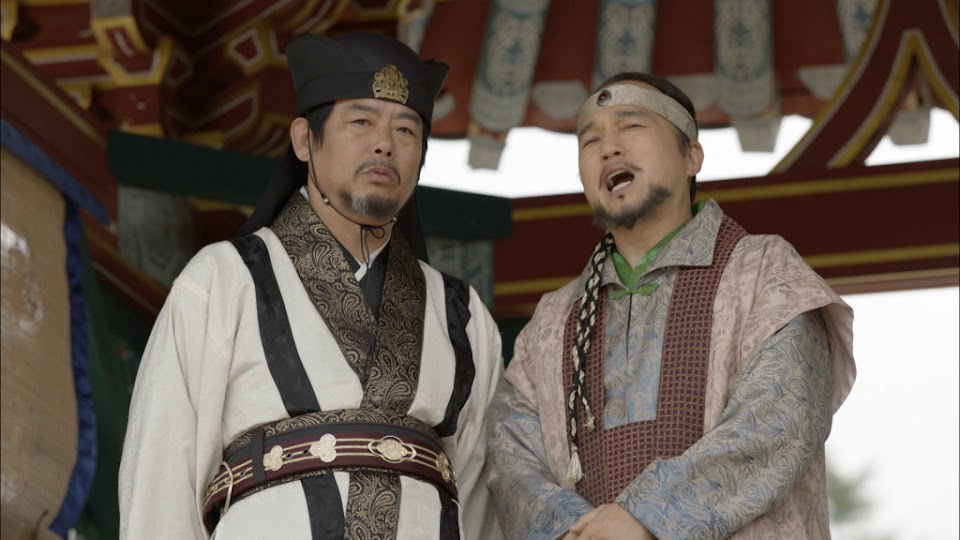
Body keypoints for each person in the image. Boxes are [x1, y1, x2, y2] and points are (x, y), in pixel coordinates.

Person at [119, 32, 504, 540]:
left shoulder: (462, 316)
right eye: (361, 121)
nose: (385, 144)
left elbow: (483, 506)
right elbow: (160, 481)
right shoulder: (224, 280)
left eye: (406, 130)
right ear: (304, 139)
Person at [485, 72, 856, 540]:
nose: (608, 148)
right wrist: (577, 531)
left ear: (691, 156)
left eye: (632, 126)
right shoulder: (552, 320)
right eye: (590, 140)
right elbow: (511, 455)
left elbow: (780, 422)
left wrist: (646, 515)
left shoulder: (765, 273)